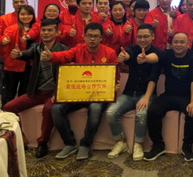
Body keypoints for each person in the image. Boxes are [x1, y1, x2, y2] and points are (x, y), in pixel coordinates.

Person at [42, 22, 118, 160]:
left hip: (98, 96)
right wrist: (51, 56)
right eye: (89, 35)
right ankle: (69, 143)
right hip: (78, 94)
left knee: (95, 109)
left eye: (96, 36)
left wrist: (115, 86)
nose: (92, 39)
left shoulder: (110, 53)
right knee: (56, 109)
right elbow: (63, 56)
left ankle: (85, 144)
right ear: (84, 36)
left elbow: (115, 77)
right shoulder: (78, 49)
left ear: (101, 38)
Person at [2, 19, 68, 158]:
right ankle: (21, 138)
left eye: (49, 30)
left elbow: (68, 74)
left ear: (57, 32)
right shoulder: (36, 47)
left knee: (48, 109)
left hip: (54, 93)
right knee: (8, 108)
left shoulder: (64, 49)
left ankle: (43, 143)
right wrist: (19, 54)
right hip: (36, 92)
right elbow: (26, 53)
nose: (46, 33)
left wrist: (58, 93)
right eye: (43, 30)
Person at [144, 32, 193, 162]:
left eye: (182, 42)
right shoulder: (167, 54)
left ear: (188, 44)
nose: (178, 45)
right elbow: (156, 62)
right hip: (169, 95)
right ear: (171, 43)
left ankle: (187, 147)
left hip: (186, 96)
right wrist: (146, 58)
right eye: (175, 42)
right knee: (152, 111)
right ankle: (158, 146)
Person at [106, 24, 159, 161]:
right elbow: (128, 55)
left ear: (152, 36)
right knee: (111, 112)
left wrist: (146, 98)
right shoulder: (134, 48)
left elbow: (153, 78)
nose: (142, 39)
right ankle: (120, 142)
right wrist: (124, 56)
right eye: (139, 37)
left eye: (146, 36)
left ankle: (138, 144)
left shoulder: (157, 52)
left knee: (141, 114)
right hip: (129, 94)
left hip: (147, 94)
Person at [1, 4, 36, 104]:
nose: (26, 17)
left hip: (30, 65)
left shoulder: (37, 29)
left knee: (24, 93)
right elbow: (4, 44)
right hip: (13, 64)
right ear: (18, 15)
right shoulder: (11, 29)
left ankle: (21, 112)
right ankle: (6, 111)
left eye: (29, 14)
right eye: (22, 14)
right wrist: (4, 41)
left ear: (33, 15)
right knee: (9, 93)